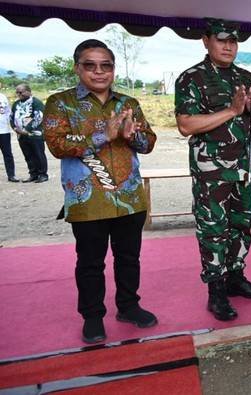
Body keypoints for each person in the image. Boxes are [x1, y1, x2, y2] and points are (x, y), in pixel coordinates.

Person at [43, 39, 159, 344]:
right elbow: (56, 145)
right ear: (77, 67)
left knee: (129, 258)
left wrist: (131, 137)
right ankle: (93, 316)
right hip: (88, 200)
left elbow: (149, 142)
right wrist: (102, 135)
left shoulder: (128, 103)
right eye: (90, 65)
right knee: (91, 262)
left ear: (113, 69)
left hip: (130, 198)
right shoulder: (60, 102)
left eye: (105, 65)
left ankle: (129, 306)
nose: (98, 71)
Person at [175, 18, 251, 322]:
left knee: (241, 224)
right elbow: (186, 125)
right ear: (206, 41)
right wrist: (231, 110)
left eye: (234, 41)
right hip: (211, 173)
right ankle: (216, 290)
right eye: (222, 40)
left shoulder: (246, 76)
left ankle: (235, 277)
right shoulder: (192, 78)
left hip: (243, 170)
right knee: (213, 229)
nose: (229, 46)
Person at [10, 83, 48, 183]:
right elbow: (12, 117)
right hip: (21, 135)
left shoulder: (36, 102)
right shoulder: (16, 104)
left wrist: (27, 130)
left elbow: (39, 117)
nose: (18, 94)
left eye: (21, 92)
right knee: (28, 155)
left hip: (34, 134)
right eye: (17, 92)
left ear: (28, 91)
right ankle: (33, 174)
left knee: (38, 154)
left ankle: (42, 174)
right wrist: (14, 128)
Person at [0, 83, 18, 182]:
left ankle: (11, 175)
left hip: (4, 130)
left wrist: (13, 126)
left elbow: (8, 113)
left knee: (8, 154)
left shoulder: (3, 97)